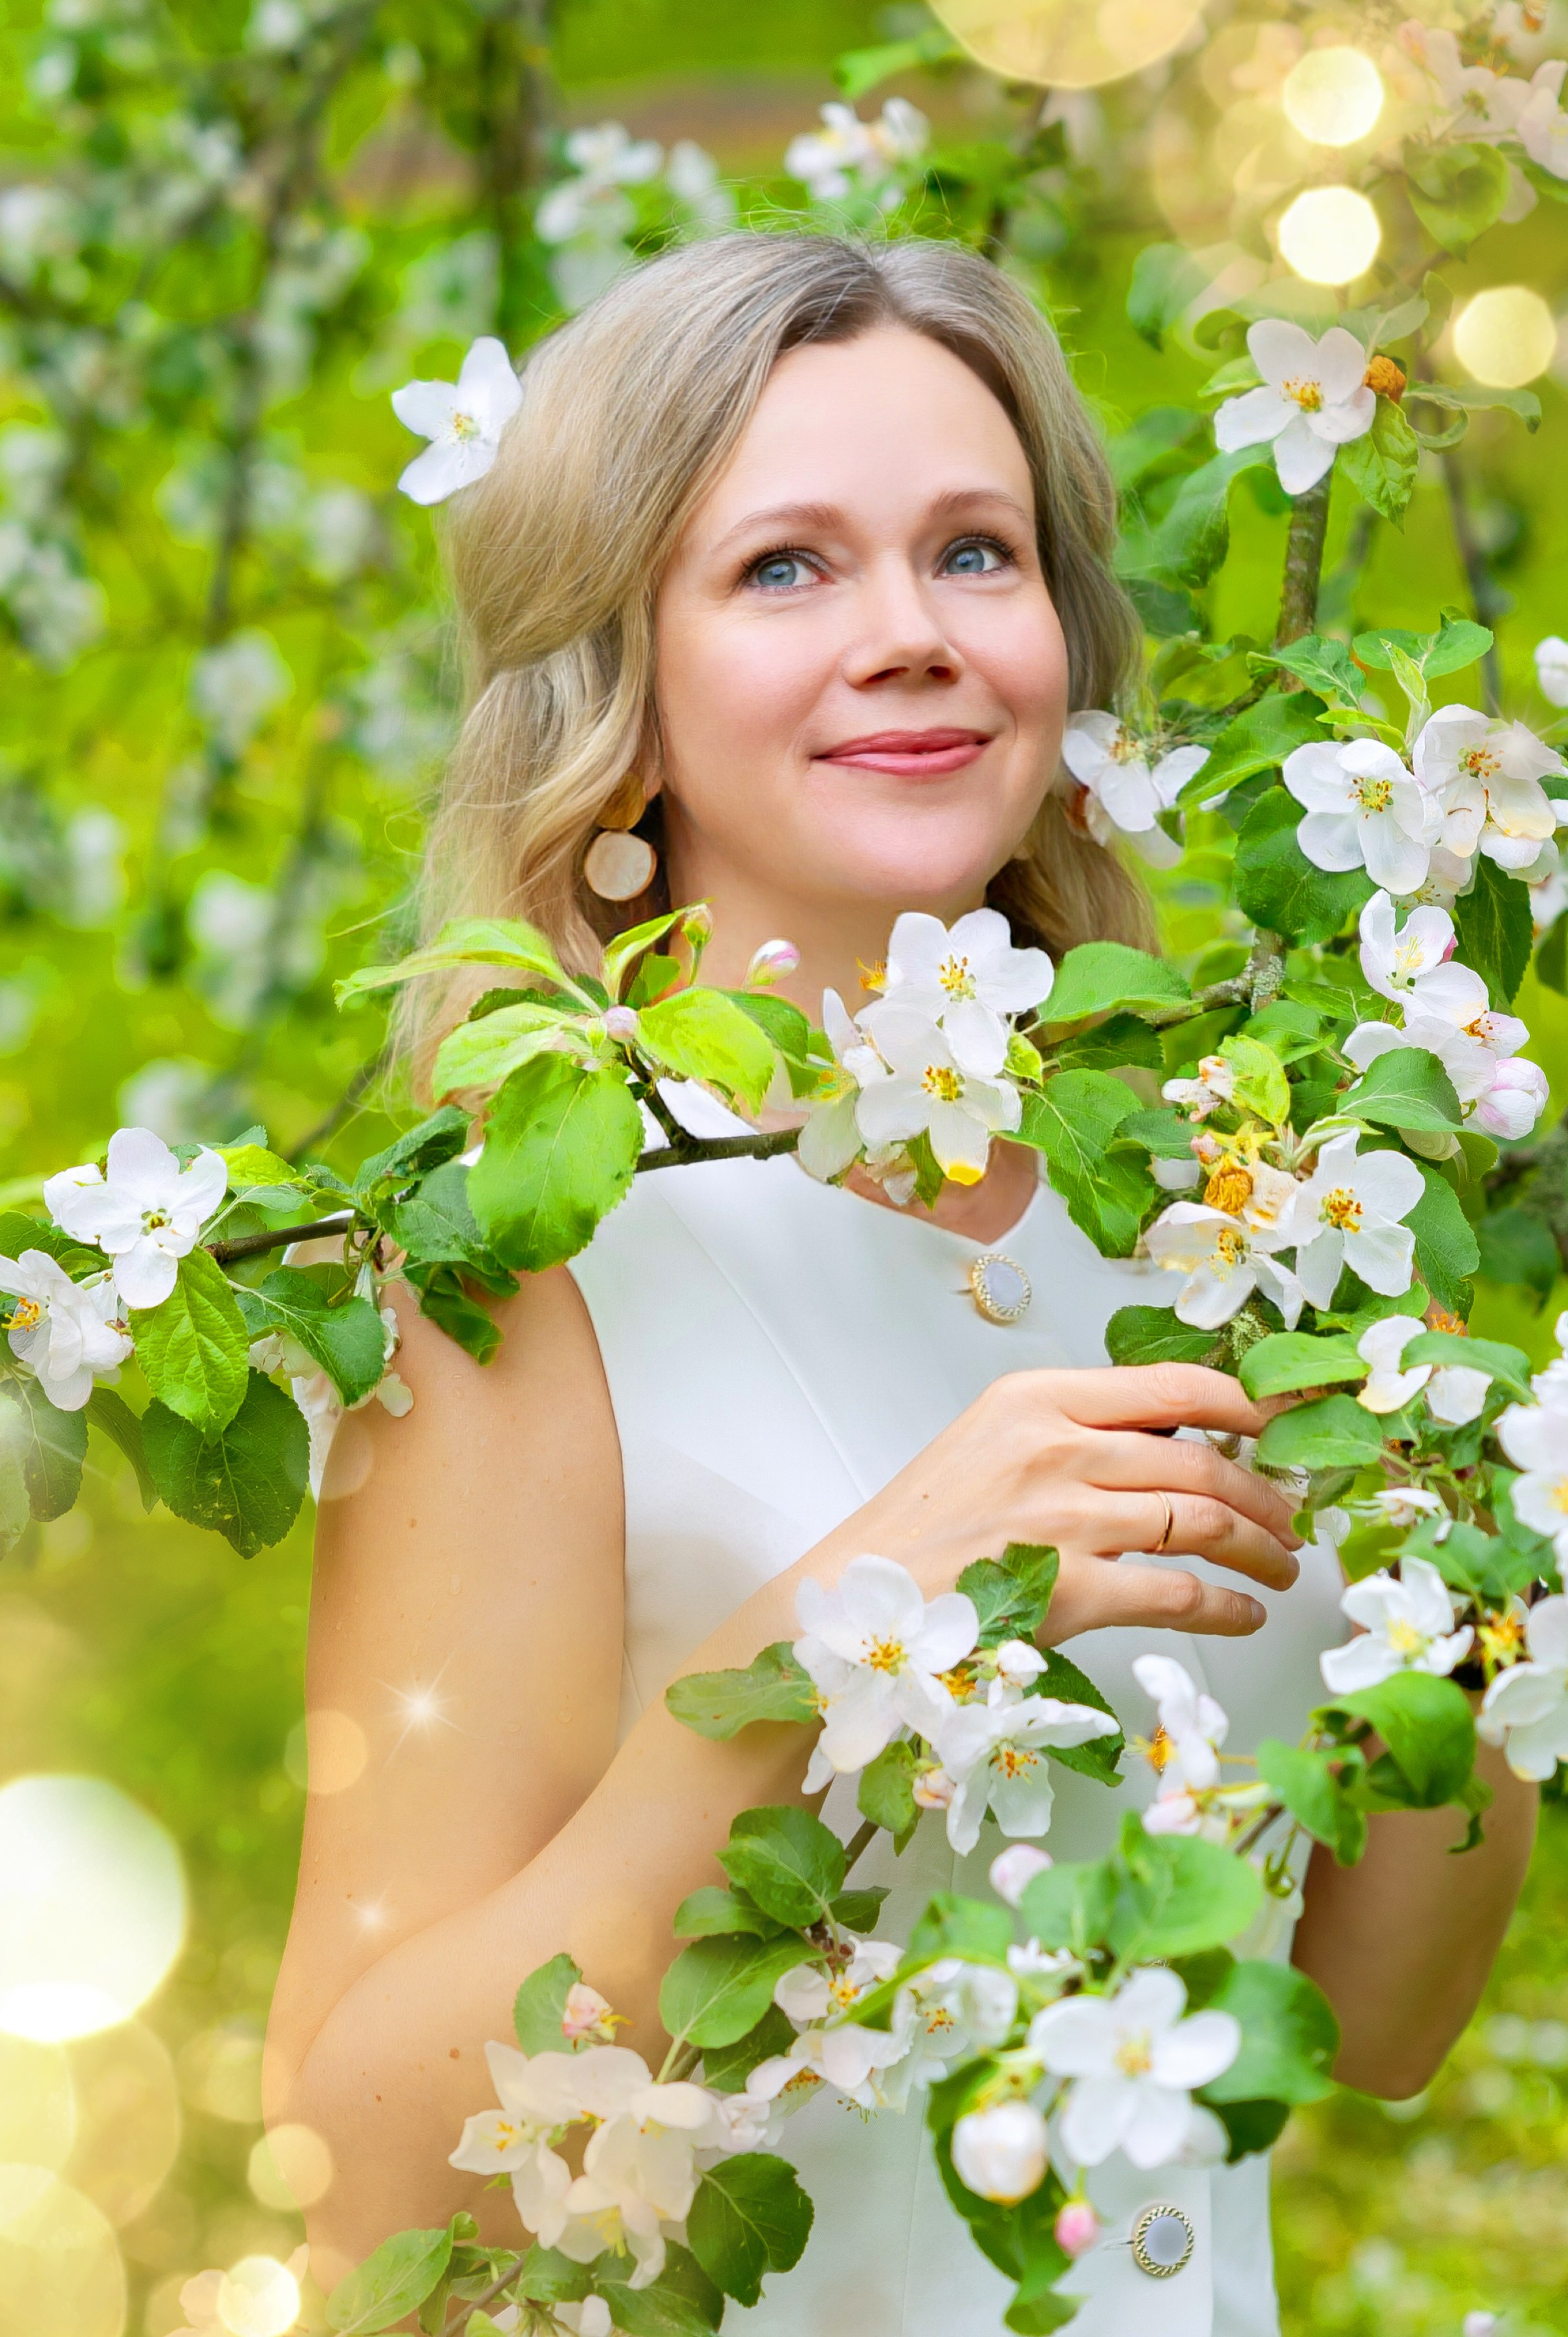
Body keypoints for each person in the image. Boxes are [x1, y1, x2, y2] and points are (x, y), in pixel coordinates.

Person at [265, 234, 1535, 2334]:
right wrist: (842, 1642)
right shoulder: (522, 1283)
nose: (912, 636)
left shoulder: (1237, 1219)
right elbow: (364, 2159)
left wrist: (1499, 1579)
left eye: (975, 551)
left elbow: (1374, 2016)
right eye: (784, 569)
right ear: (623, 687)